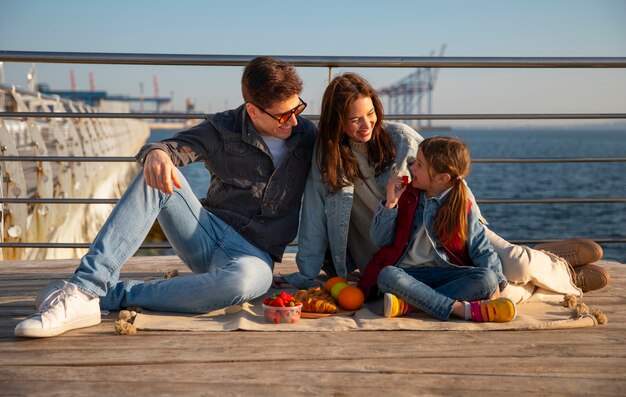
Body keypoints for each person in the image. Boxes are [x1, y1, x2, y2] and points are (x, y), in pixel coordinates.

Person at [15, 56, 317, 338]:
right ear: (253, 110)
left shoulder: (306, 136)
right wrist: (157, 153)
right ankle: (85, 288)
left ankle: (110, 295)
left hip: (253, 256)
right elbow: (169, 147)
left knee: (246, 283)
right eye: (283, 116)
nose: (293, 121)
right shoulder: (222, 128)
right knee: (156, 174)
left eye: (297, 109)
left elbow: (336, 182)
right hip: (206, 234)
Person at [283, 72, 610, 304]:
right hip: (395, 259)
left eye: (371, 113)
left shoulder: (401, 139)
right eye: (355, 119)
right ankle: (559, 275)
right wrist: (307, 275)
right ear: (337, 121)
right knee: (496, 291)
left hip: (446, 232)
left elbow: (452, 182)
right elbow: (312, 218)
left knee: (515, 265)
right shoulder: (327, 160)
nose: (366, 124)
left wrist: (476, 226)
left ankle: (557, 268)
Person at [370, 136, 516, 321]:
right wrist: (390, 205)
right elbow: (379, 240)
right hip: (409, 275)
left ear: (442, 178)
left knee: (487, 278)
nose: (412, 167)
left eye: (420, 165)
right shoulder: (405, 196)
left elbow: (482, 250)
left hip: (447, 274)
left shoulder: (463, 206)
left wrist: (496, 284)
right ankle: (460, 309)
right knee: (387, 274)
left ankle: (410, 304)